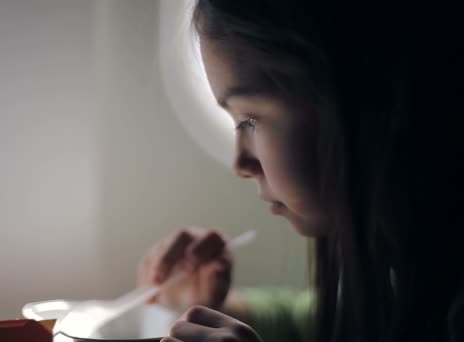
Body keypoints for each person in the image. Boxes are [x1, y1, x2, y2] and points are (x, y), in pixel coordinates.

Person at [138, 1, 464, 342]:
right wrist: (210, 308)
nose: (241, 165)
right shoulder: (409, 271)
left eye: (249, 119)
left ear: (369, 94)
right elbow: (318, 315)